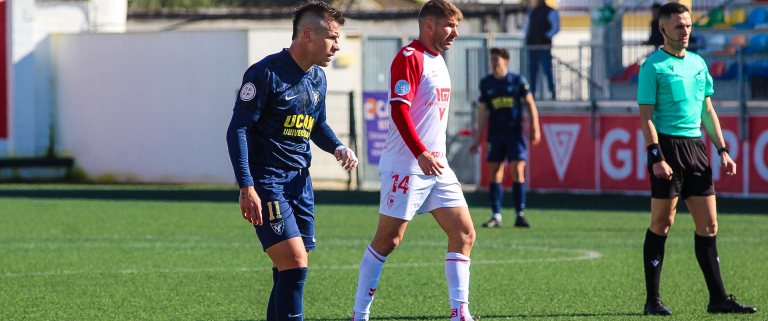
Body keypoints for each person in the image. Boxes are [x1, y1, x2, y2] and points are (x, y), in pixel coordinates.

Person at [225, 2, 358, 320]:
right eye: (333, 37)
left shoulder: (318, 79)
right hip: (268, 181)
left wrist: (337, 146)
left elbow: (317, 125)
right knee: (295, 264)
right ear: (308, 35)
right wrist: (247, 186)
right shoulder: (265, 74)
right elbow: (237, 130)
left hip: (300, 182)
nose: (337, 46)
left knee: (285, 267)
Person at [349, 2, 476, 321]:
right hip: (407, 165)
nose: (455, 33)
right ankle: (359, 314)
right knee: (389, 240)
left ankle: (460, 313)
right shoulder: (409, 58)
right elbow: (399, 109)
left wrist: (438, 160)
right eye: (449, 26)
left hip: (437, 167)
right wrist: (420, 153)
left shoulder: (439, 60)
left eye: (456, 26)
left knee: (464, 234)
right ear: (428, 25)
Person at [637, 3, 757, 316]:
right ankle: (653, 301)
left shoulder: (699, 63)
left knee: (709, 224)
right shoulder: (653, 66)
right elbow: (646, 117)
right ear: (663, 29)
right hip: (668, 148)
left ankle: (718, 299)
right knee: (662, 223)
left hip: (697, 150)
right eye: (679, 26)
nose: (686, 31)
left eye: (688, 25)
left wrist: (722, 150)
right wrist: (656, 156)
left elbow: (707, 111)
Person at [468, 48, 540, 228]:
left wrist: (535, 128)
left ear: (506, 61)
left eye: (497, 60)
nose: (493, 63)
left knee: (518, 170)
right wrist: (478, 138)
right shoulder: (486, 83)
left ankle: (519, 215)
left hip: (515, 133)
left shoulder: (518, 81)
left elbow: (530, 104)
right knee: (495, 173)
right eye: (492, 60)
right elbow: (483, 111)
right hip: (495, 134)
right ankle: (496, 216)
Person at [524, 0, 559, 100]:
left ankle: (552, 93)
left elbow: (555, 27)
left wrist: (545, 37)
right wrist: (528, 37)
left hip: (544, 47)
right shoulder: (532, 11)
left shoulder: (551, 11)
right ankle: (531, 94)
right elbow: (526, 27)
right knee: (532, 71)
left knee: (547, 70)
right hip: (532, 47)